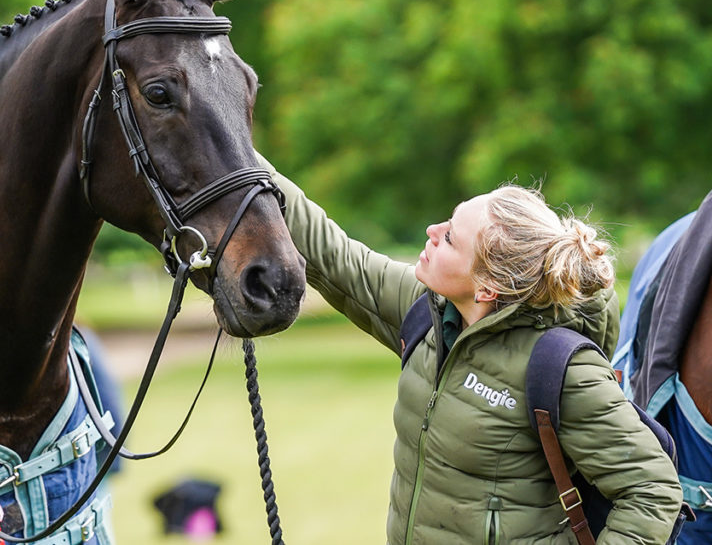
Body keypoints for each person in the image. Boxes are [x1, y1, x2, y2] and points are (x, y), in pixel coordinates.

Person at [259, 157, 683, 544]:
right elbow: (332, 256)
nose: (432, 232)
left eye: (449, 239)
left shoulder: (561, 368)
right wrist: (234, 146)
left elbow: (653, 490)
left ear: (486, 286)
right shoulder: (427, 311)